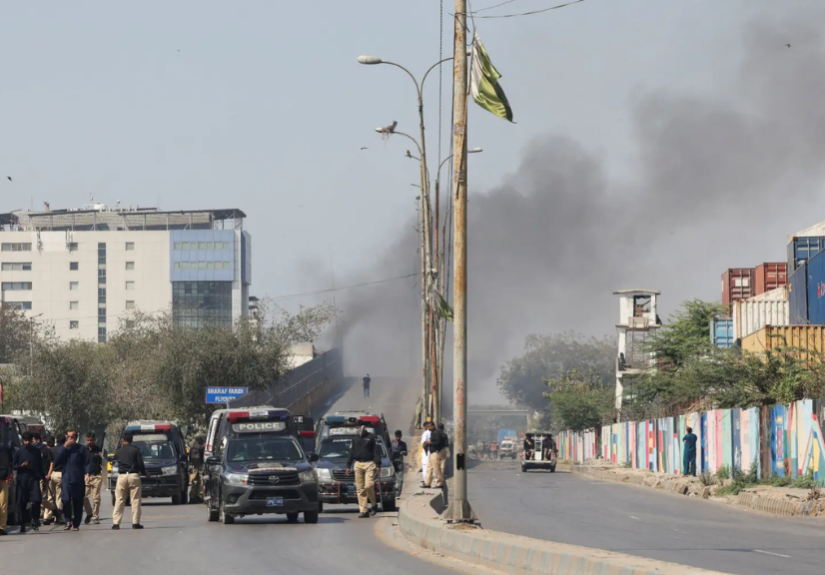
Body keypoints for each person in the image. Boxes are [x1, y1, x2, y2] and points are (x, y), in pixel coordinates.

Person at [111, 432, 147, 530]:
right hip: (133, 476)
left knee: (119, 500)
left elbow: (114, 461)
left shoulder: (118, 451)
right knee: (135, 500)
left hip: (122, 476)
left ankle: (116, 523)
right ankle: (135, 523)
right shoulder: (136, 450)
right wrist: (145, 473)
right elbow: (140, 464)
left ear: (123, 440)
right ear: (131, 440)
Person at [54, 430, 89, 531]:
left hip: (78, 479)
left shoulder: (81, 448)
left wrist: (87, 474)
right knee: (65, 500)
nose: (70, 439)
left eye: (72, 437)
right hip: (66, 478)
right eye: (68, 437)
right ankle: (68, 520)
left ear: (76, 437)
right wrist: (64, 447)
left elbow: (86, 463)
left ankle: (76, 524)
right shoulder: (64, 449)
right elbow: (57, 461)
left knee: (78, 501)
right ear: (66, 437)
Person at [346, 425, 382, 518]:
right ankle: (364, 510)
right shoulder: (354, 439)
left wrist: (378, 464)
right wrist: (348, 466)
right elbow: (351, 452)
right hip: (358, 464)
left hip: (369, 463)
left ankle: (374, 504)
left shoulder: (370, 438)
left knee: (368, 485)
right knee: (360, 488)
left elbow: (375, 451)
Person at [13, 431, 44, 532]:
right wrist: (21, 466)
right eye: (25, 440)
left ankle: (34, 519)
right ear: (23, 441)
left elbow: (40, 465)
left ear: (32, 440)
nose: (27, 442)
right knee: (22, 502)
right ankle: (22, 523)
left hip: (33, 478)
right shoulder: (18, 452)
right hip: (22, 479)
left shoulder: (36, 451)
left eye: (29, 440)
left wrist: (44, 478)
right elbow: (13, 465)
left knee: (36, 500)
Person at [83, 431, 104, 524]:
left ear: (94, 440)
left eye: (91, 440)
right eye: (87, 440)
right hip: (86, 476)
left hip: (96, 476)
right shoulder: (83, 450)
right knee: (84, 497)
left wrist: (102, 457)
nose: (89, 442)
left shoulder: (99, 450)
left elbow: (103, 463)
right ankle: (89, 513)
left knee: (96, 498)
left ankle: (95, 516)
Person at [36, 433, 56, 524]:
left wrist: (48, 474)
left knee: (44, 498)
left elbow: (51, 463)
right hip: (36, 477)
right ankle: (43, 514)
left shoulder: (47, 451)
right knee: (40, 498)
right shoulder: (36, 450)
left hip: (45, 476)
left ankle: (50, 513)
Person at [49, 434, 66, 524]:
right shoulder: (64, 450)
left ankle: (47, 516)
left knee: (51, 496)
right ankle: (58, 517)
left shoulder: (51, 450)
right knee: (59, 497)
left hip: (52, 474)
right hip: (60, 474)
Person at [423, 422, 445, 488]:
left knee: (436, 469)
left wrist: (429, 442)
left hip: (435, 453)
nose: (428, 428)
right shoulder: (433, 432)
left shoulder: (436, 432)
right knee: (429, 468)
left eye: (429, 426)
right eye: (427, 426)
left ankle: (439, 483)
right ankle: (427, 483)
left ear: (433, 426)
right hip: (431, 452)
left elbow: (437, 442)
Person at [0, 429, 13, 536]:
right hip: (4, 477)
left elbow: (10, 463)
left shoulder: (5, 448)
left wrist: (9, 474)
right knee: (3, 503)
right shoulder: (6, 447)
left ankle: (2, 526)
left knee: (3, 503)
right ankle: (2, 526)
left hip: (3, 478)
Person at [188, 436, 205, 503]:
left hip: (193, 466)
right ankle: (200, 496)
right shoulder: (201, 447)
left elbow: (189, 457)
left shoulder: (192, 447)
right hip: (200, 465)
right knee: (201, 481)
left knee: (193, 481)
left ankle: (192, 496)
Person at [420, 421, 432, 486]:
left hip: (426, 452)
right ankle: (428, 481)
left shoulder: (426, 433)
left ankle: (426, 482)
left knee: (425, 467)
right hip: (431, 452)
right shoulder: (433, 432)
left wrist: (426, 450)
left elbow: (423, 443)